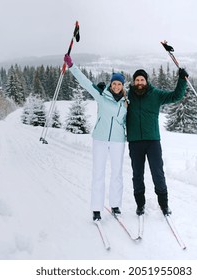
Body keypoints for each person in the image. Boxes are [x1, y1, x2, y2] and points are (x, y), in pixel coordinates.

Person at [64, 54, 128, 221]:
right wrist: (72, 66)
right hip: (100, 139)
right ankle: (96, 209)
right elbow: (85, 83)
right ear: (110, 84)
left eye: (119, 84)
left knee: (117, 174)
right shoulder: (101, 96)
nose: (116, 86)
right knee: (98, 173)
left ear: (122, 86)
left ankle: (115, 206)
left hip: (118, 141)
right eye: (114, 83)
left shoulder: (127, 102)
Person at [126, 68, 188, 216]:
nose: (139, 82)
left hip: (153, 141)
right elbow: (112, 96)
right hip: (135, 142)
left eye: (142, 80)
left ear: (146, 81)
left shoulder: (155, 94)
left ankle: (164, 205)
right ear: (134, 82)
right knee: (137, 174)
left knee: (158, 173)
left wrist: (181, 80)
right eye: (137, 80)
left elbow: (176, 96)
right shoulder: (127, 95)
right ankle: (140, 205)